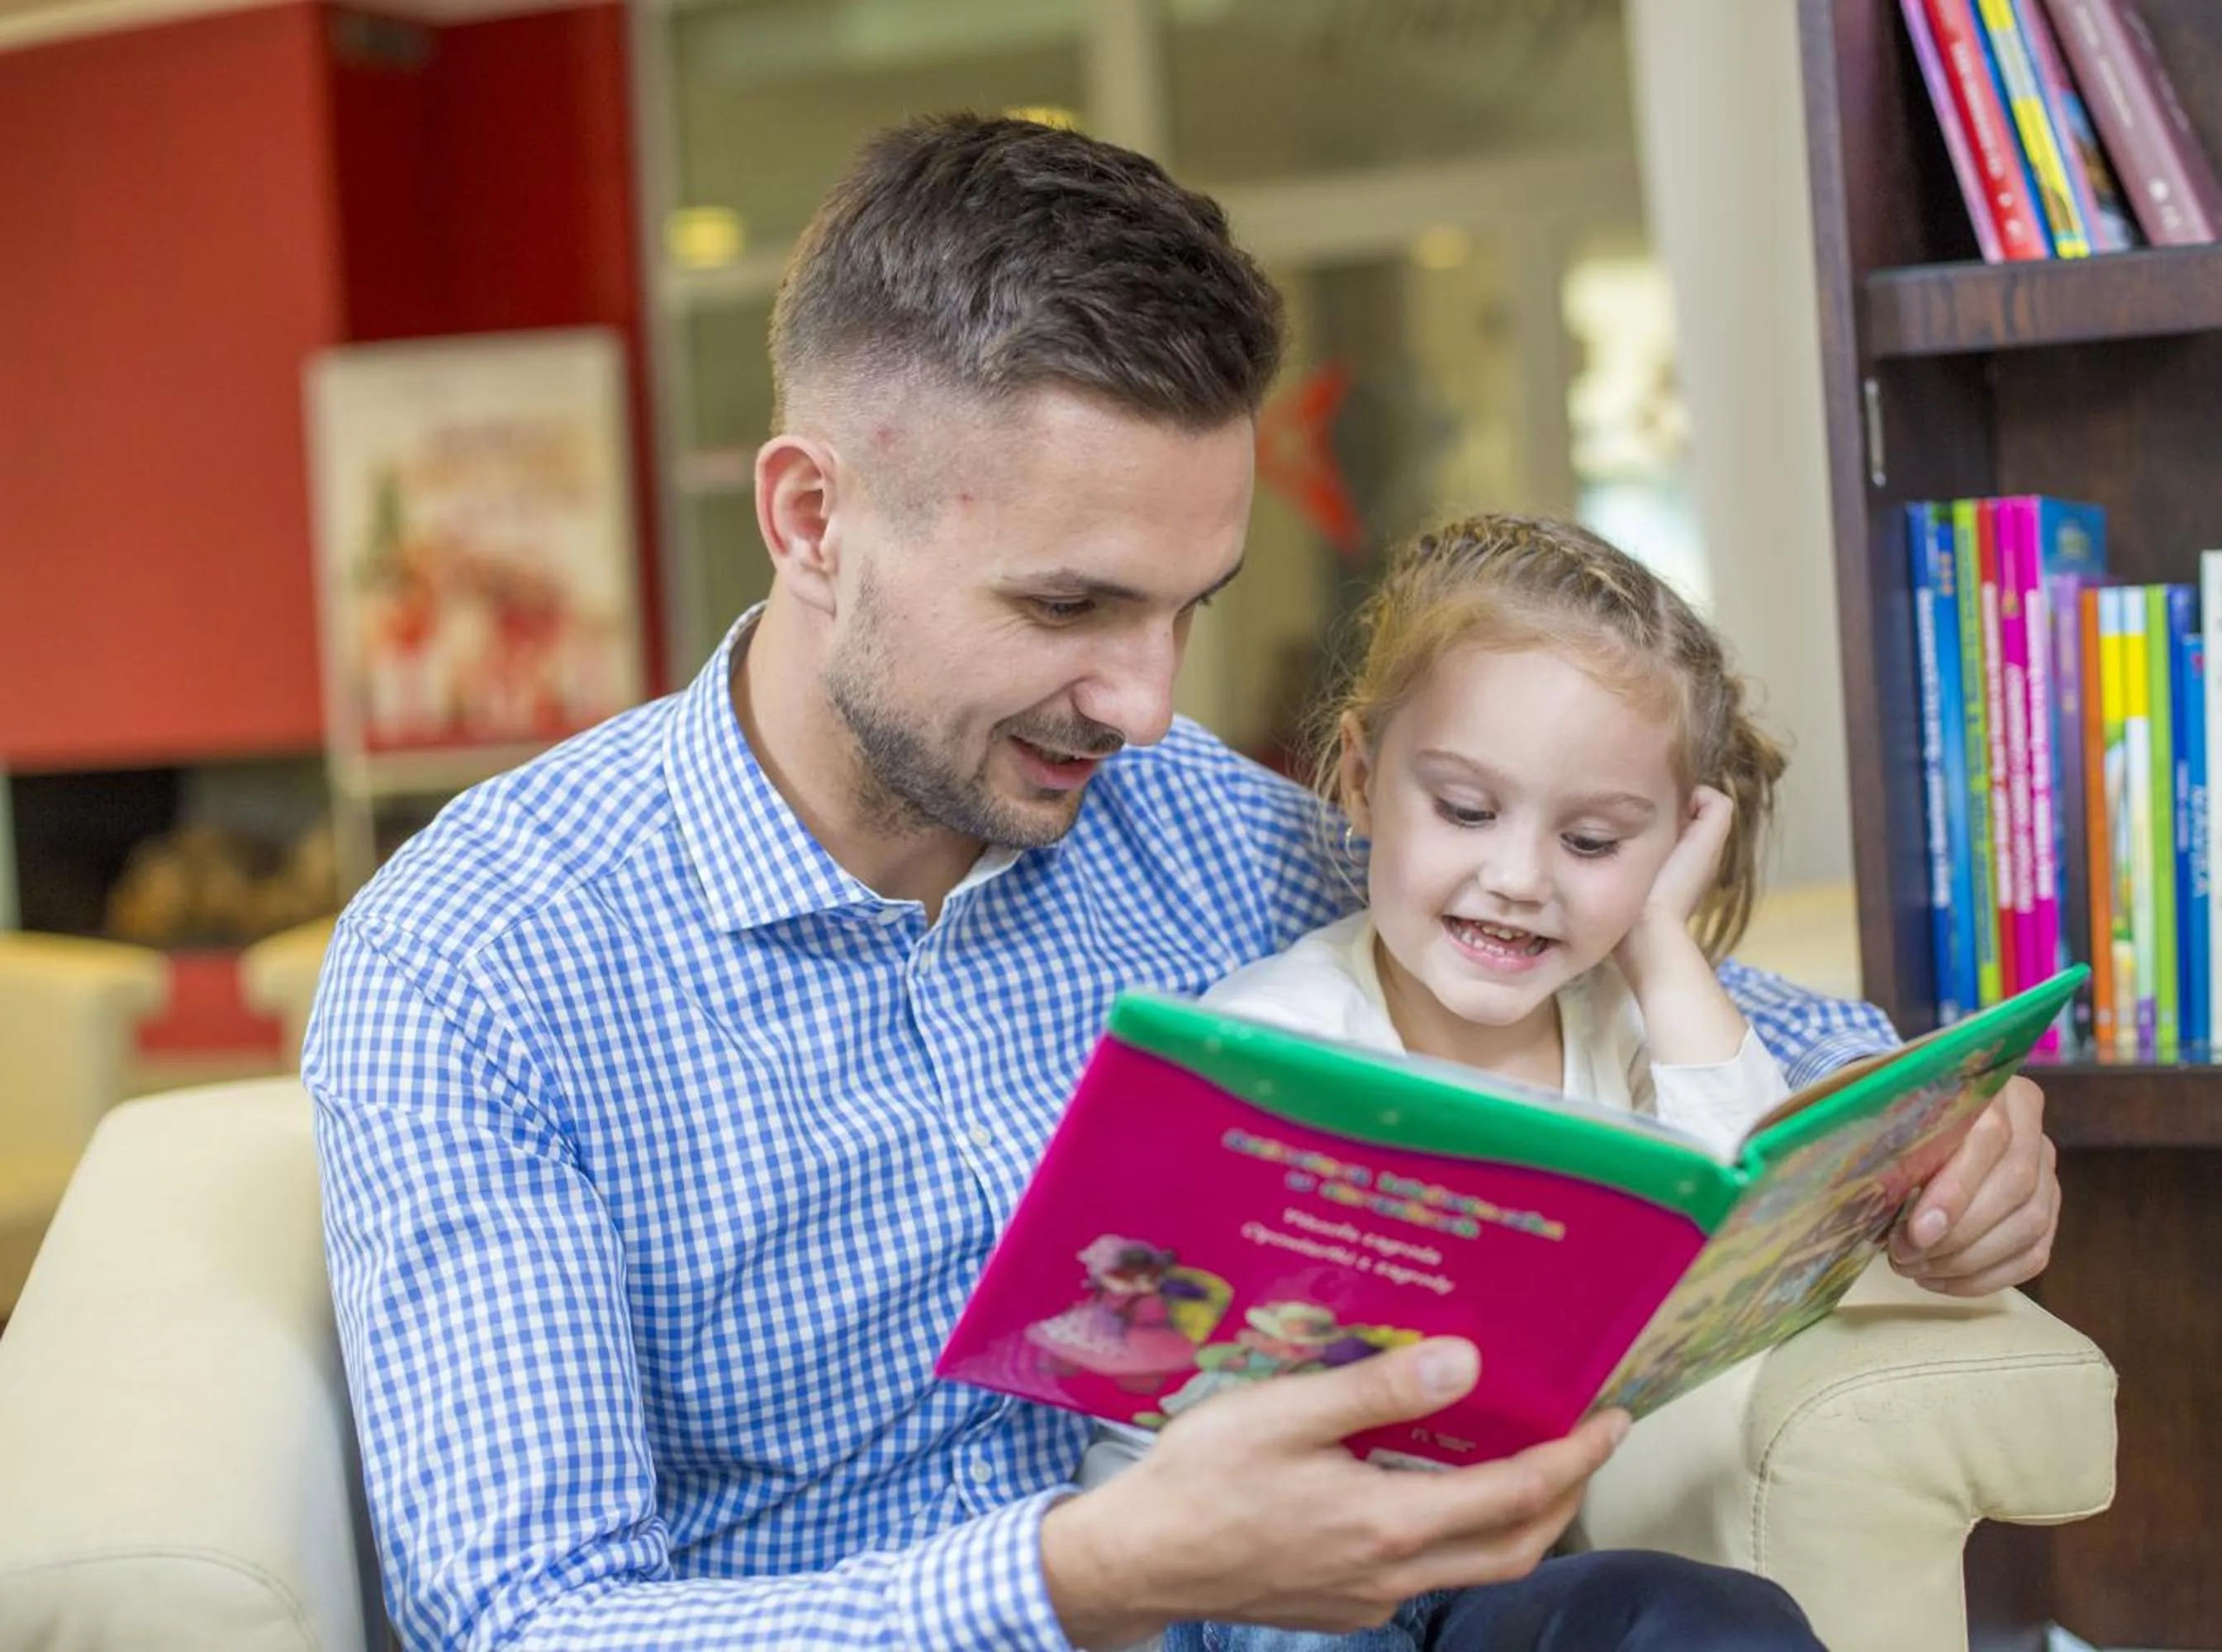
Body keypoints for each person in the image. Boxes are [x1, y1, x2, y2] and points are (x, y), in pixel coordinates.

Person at [306, 114, 2063, 1652]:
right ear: (813, 517)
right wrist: (1084, 1577)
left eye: (1188, 607)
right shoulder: (484, 962)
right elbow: (533, 1621)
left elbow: (1618, 993)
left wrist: (1935, 1135)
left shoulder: (1179, 822)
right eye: (1068, 608)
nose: (1146, 702)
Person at [1085, 511, 1826, 1650]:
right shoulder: (1270, 1043)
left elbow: (1751, 1231)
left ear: (1676, 838)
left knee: (1717, 1621)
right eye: (1467, 811)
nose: (1519, 877)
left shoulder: (1625, 1031)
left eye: (1594, 843)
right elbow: (1134, 1360)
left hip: (1488, 1572)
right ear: (1363, 776)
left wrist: (1663, 943)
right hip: (1247, 1577)